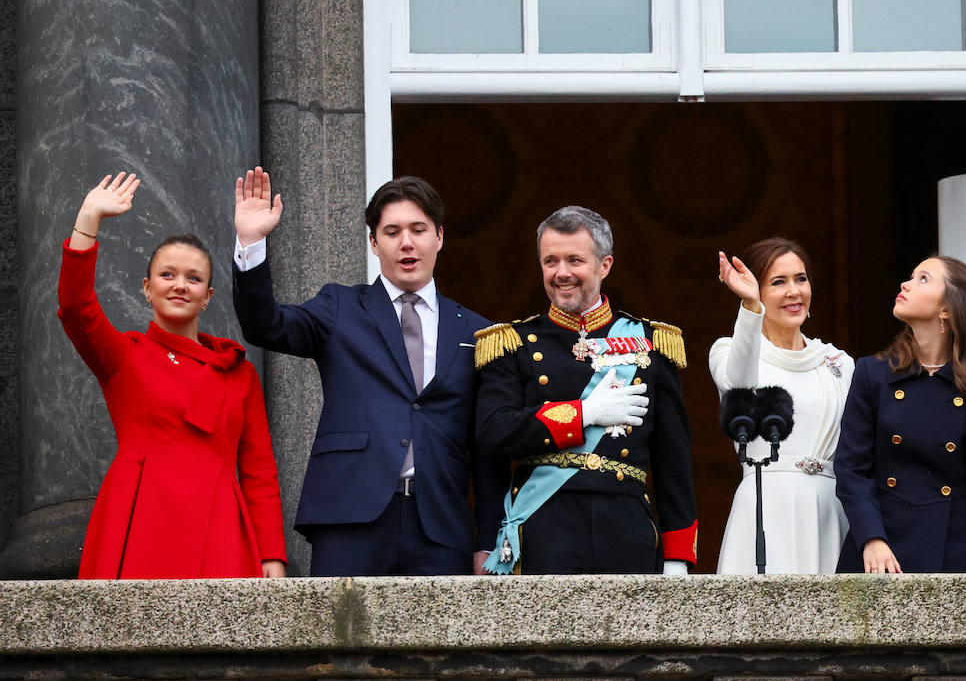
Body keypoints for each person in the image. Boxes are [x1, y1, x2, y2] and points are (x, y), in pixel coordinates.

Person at [231, 168, 505, 576]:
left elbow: (487, 449)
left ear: (440, 237)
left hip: (441, 526)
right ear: (374, 243)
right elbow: (266, 326)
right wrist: (252, 243)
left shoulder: (477, 331)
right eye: (392, 231)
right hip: (349, 518)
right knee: (339, 641)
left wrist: (488, 540)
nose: (407, 242)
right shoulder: (340, 307)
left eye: (419, 229)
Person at [58, 172, 287, 579]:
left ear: (207, 297)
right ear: (147, 288)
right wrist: (87, 220)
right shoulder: (124, 355)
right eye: (167, 275)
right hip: (139, 522)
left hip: (221, 530)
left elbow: (259, 471)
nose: (180, 286)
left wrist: (271, 554)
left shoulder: (239, 374)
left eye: (194, 279)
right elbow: (77, 309)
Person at [474, 205, 697, 575]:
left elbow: (673, 458)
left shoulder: (652, 342)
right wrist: (584, 415)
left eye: (574, 260)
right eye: (550, 261)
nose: (561, 273)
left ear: (604, 265)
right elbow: (492, 434)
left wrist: (677, 556)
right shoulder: (513, 343)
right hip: (543, 526)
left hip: (627, 527)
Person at [834, 256, 966, 574]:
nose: (906, 284)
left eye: (923, 279)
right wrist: (871, 538)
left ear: (947, 308)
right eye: (911, 275)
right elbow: (851, 469)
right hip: (879, 552)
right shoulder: (872, 374)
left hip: (953, 551)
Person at [710, 240, 853, 573]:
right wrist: (749, 306)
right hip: (765, 504)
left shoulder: (839, 363)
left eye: (801, 279)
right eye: (778, 282)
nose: (794, 291)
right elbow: (739, 385)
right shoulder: (730, 352)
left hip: (830, 509)